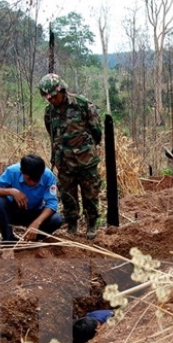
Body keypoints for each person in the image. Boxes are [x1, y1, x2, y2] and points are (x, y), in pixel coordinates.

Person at [39, 73, 102, 240]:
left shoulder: (81, 105)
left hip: (86, 160)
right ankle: (72, 225)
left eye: (54, 96)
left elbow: (97, 132)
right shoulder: (49, 113)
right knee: (68, 195)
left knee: (90, 193)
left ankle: (91, 224)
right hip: (64, 162)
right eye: (48, 98)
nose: (51, 100)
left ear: (62, 90)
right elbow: (52, 135)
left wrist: (86, 148)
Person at [0, 154, 63, 242]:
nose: (33, 183)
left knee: (57, 219)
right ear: (22, 172)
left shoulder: (48, 176)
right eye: (29, 179)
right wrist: (11, 191)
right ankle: (8, 241)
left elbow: (52, 203)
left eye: (37, 179)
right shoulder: (12, 171)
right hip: (14, 212)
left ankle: (33, 239)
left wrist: (37, 223)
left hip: (34, 212)